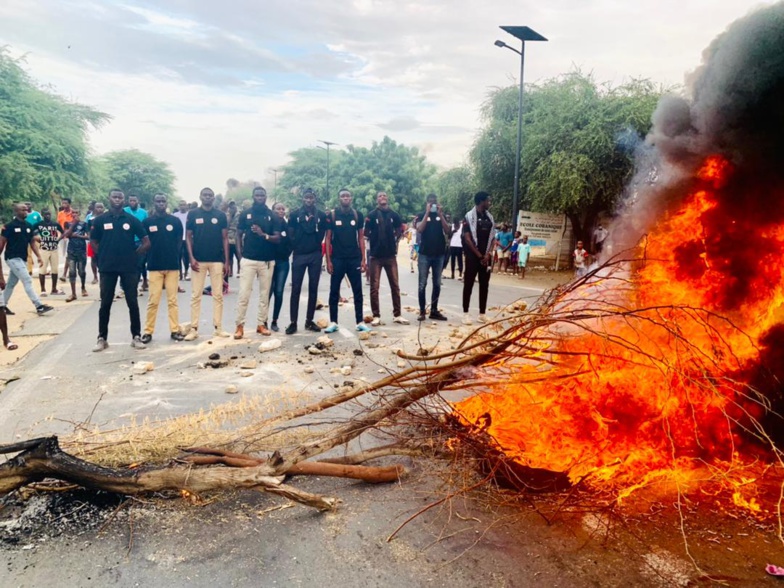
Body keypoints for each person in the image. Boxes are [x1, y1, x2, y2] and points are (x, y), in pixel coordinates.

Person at [89, 190, 149, 351]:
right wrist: (102, 255)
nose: (117, 199)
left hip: (128, 268)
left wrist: (134, 256)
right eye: (114, 197)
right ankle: (102, 338)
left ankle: (136, 336)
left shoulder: (132, 220)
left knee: (132, 302)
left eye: (120, 197)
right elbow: (93, 241)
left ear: (124, 200)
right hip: (107, 268)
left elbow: (146, 242)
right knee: (105, 303)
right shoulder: (100, 220)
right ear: (109, 199)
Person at [233, 187, 282, 339]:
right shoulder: (245, 214)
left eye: (262, 195)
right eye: (257, 195)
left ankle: (261, 324)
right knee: (244, 294)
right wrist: (240, 255)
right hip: (248, 260)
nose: (260, 197)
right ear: (253, 196)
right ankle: (239, 326)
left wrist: (263, 235)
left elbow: (277, 238)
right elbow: (238, 234)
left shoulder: (272, 215)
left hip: (266, 261)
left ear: (266, 196)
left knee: (264, 294)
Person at [184, 187, 230, 340]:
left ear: (213, 198)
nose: (208, 197)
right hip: (198, 261)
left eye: (210, 195)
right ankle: (194, 329)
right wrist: (191, 257)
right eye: (205, 195)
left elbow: (225, 238)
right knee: (196, 295)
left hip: (217, 260)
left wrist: (227, 261)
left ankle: (218, 328)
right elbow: (188, 237)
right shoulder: (193, 214)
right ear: (200, 196)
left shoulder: (220, 215)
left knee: (218, 295)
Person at [324, 189, 370, 334]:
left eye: (348, 196)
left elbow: (361, 238)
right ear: (339, 199)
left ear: (351, 198)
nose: (345, 198)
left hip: (353, 259)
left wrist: (363, 259)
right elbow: (328, 239)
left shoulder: (357, 215)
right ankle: (333, 322)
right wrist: (328, 260)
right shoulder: (332, 215)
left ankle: (360, 322)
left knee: (358, 291)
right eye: (343, 196)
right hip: (337, 258)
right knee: (333, 291)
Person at [141, 193, 185, 343]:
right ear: (154, 202)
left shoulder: (175, 221)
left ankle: (174, 330)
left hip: (172, 266)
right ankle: (148, 332)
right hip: (154, 266)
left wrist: (173, 253)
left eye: (163, 201)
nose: (161, 203)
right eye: (158, 201)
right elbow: (144, 242)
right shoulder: (147, 222)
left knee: (173, 300)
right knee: (153, 300)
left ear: (167, 203)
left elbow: (179, 241)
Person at [0, 203, 54, 316]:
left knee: (11, 283)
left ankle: (2, 306)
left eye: (26, 209)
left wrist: (39, 256)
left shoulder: (28, 225)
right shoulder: (9, 226)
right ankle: (39, 306)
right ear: (16, 212)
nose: (25, 211)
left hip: (23, 258)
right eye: (22, 209)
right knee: (27, 280)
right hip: (12, 258)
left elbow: (32, 242)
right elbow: (2, 243)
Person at [285, 188, 327, 335]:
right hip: (299, 255)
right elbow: (290, 233)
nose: (309, 200)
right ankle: (293, 322)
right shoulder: (295, 214)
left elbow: (322, 233)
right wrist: (297, 244)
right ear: (302, 199)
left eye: (311, 198)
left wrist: (315, 242)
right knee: (295, 289)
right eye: (306, 198)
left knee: (313, 288)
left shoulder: (320, 215)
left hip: (315, 254)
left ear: (314, 199)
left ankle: (309, 321)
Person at [364, 191, 408, 326]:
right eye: (379, 196)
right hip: (375, 256)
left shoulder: (394, 215)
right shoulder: (371, 215)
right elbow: (365, 233)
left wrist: (395, 239)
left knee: (395, 286)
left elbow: (400, 230)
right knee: (374, 287)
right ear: (376, 200)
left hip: (390, 256)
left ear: (387, 198)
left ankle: (397, 314)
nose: (382, 197)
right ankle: (376, 315)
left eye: (384, 195)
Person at [462, 192, 495, 325]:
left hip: (486, 257)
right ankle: (465, 313)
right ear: (481, 201)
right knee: (468, 284)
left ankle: (482, 314)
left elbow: (493, 238)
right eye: (488, 201)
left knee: (484, 285)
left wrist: (488, 254)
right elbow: (467, 238)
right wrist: (479, 255)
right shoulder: (469, 217)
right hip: (473, 257)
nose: (489, 203)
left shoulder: (489, 218)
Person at [414, 193, 449, 321]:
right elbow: (420, 229)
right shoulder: (421, 215)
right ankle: (422, 311)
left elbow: (447, 230)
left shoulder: (441, 215)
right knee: (422, 283)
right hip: (424, 254)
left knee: (437, 283)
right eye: (430, 202)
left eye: (434, 202)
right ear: (427, 203)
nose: (433, 204)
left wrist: (440, 215)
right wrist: (427, 213)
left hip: (439, 254)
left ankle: (434, 310)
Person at [268, 202, 291, 332]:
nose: (281, 211)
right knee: (268, 291)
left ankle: (274, 320)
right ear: (273, 210)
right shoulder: (269, 224)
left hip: (283, 262)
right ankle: (263, 320)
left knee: (279, 291)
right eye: (278, 209)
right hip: (270, 261)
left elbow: (291, 242)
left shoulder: (287, 226)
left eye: (283, 209)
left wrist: (287, 253)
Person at [33, 209, 65, 296]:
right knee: (42, 269)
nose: (48, 216)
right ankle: (43, 290)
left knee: (54, 269)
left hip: (54, 249)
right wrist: (36, 238)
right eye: (46, 214)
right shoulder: (39, 224)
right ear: (43, 215)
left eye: (49, 214)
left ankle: (54, 289)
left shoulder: (55, 224)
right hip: (44, 249)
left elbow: (63, 233)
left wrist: (58, 239)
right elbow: (30, 232)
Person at [62, 210, 89, 302]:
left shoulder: (84, 224)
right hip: (71, 250)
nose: (75, 214)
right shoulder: (68, 224)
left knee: (81, 271)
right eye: (73, 213)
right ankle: (73, 293)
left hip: (81, 250)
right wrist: (73, 224)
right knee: (72, 272)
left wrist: (78, 236)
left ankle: (83, 287)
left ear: (79, 214)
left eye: (77, 213)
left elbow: (89, 236)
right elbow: (66, 235)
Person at [124, 195, 149, 292]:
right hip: (127, 241)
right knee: (125, 263)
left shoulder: (143, 213)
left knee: (140, 264)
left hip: (140, 241)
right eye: (130, 200)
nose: (132, 202)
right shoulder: (124, 211)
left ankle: (143, 282)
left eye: (134, 200)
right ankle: (124, 287)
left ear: (138, 201)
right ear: (128, 201)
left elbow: (146, 227)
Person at [57, 197, 76, 283]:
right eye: (63, 203)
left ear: (69, 204)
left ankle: (64, 274)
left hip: (70, 237)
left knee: (69, 255)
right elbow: (58, 225)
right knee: (65, 255)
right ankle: (70, 271)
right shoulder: (60, 213)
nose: (64, 205)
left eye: (66, 203)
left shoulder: (73, 213)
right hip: (62, 236)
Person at [87, 202, 105, 284]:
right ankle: (95, 276)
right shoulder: (90, 219)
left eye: (101, 207)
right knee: (93, 259)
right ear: (94, 208)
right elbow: (87, 230)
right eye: (98, 207)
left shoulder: (107, 218)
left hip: (104, 242)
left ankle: (103, 275)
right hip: (93, 242)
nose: (99, 209)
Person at [172, 200, 190, 280]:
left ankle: (186, 271)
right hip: (178, 239)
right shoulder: (175, 215)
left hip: (187, 239)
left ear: (186, 206)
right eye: (181, 205)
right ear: (179, 206)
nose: (182, 206)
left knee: (186, 256)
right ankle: (180, 273)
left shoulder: (189, 215)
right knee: (178, 256)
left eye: (184, 205)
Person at [226, 200, 241, 277]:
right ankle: (230, 271)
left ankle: (239, 270)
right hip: (229, 237)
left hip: (237, 238)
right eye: (230, 207)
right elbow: (226, 226)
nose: (232, 208)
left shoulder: (240, 215)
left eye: (233, 206)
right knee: (230, 256)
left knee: (238, 255)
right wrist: (230, 216)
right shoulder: (227, 215)